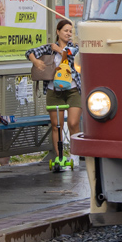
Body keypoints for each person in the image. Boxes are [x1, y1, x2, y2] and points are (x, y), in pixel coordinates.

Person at [27, 19, 81, 171]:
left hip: (72, 89)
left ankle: (75, 155)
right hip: (54, 90)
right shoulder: (48, 48)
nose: (68, 34)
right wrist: (35, 61)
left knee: (73, 123)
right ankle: (60, 157)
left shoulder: (73, 47)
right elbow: (29, 52)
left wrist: (58, 50)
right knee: (57, 125)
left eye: (70, 31)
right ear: (58, 32)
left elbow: (72, 55)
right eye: (65, 30)